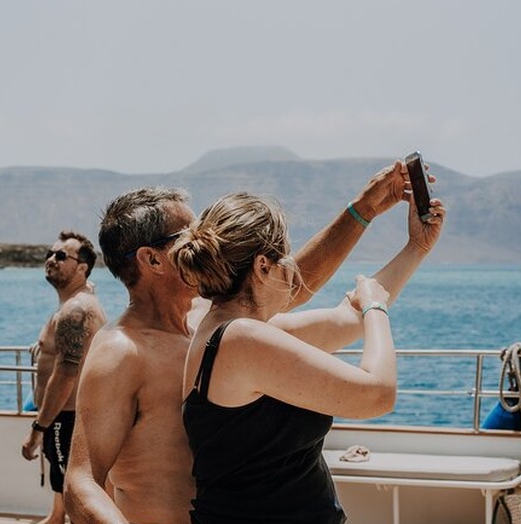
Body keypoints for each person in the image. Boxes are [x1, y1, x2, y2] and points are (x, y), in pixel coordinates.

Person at [64, 161, 431, 524]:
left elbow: (289, 285)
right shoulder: (121, 351)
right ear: (152, 259)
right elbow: (82, 483)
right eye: (190, 233)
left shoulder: (212, 320)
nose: (204, 240)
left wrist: (368, 213)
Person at [171, 190, 443, 523]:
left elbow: (348, 319)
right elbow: (377, 394)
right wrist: (376, 307)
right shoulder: (243, 339)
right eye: (285, 257)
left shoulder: (231, 331)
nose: (292, 268)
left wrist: (416, 247)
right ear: (262, 266)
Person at [22, 230, 108, 524]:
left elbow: (65, 374)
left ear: (82, 268)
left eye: (61, 256)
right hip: (65, 417)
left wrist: (38, 428)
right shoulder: (77, 302)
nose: (51, 259)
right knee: (64, 491)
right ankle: (55, 518)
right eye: (50, 253)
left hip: (67, 419)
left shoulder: (76, 310)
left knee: (76, 499)